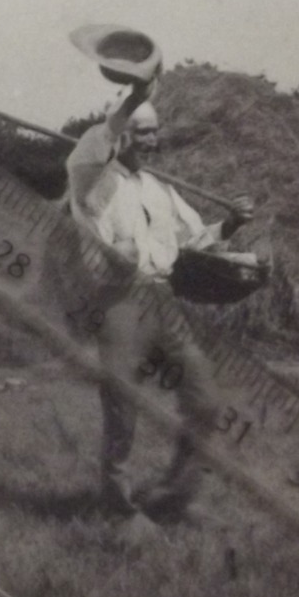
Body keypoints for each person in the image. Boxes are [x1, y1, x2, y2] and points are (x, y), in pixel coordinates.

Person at [65, 33, 255, 521]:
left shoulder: (159, 188)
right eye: (144, 133)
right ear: (123, 134)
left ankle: (176, 491)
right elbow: (102, 138)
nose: (153, 141)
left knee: (206, 400)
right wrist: (134, 95)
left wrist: (231, 223)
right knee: (123, 406)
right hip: (118, 303)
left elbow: (195, 239)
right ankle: (117, 504)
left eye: (155, 133)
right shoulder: (90, 177)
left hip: (162, 300)